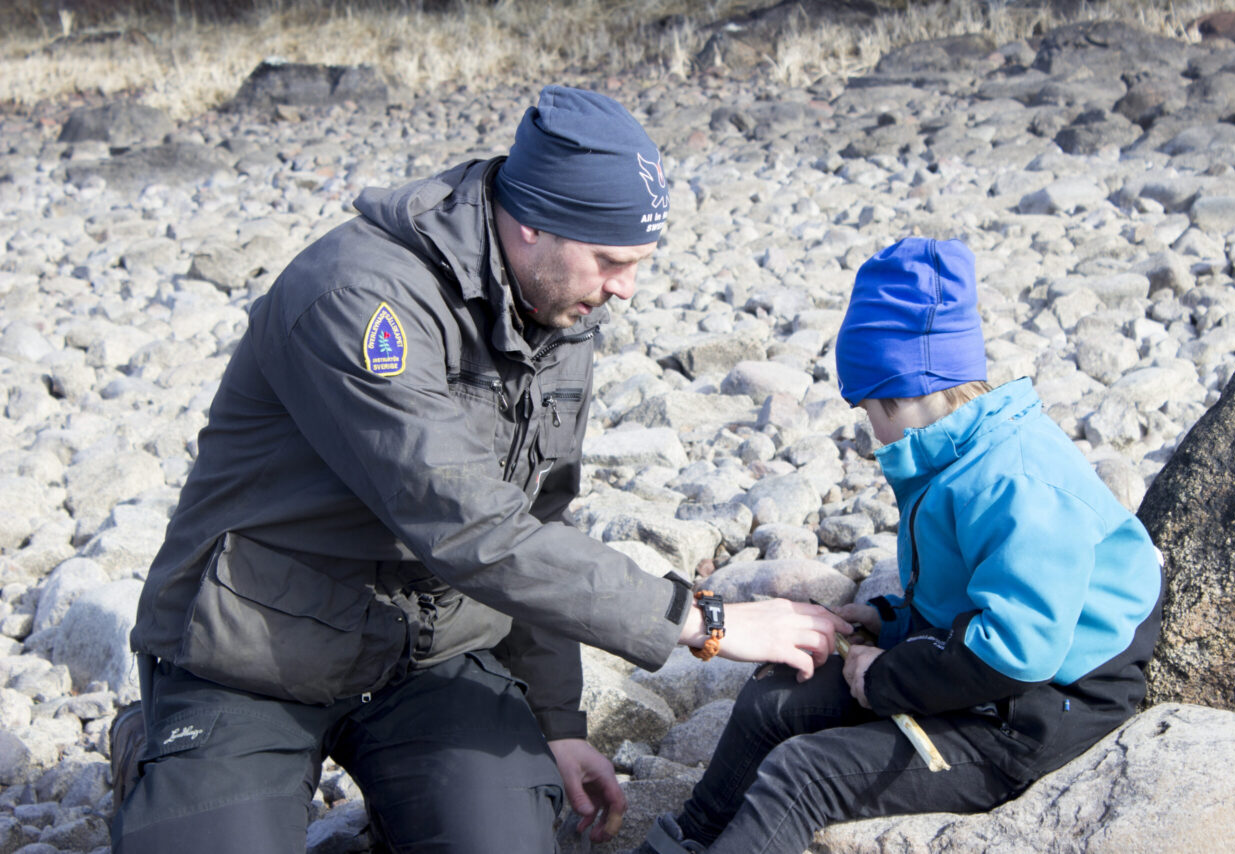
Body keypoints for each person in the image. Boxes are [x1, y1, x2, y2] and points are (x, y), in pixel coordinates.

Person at [111, 85, 851, 854]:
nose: (625, 288)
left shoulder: (560, 309)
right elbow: (468, 523)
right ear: (531, 223)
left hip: (424, 653)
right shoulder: (360, 298)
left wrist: (556, 723)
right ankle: (162, 753)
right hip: (253, 646)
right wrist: (706, 623)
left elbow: (537, 519)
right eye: (611, 260)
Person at [638, 237, 1165, 854]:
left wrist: (885, 677)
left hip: (1037, 712)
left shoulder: (1016, 482)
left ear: (909, 391)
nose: (872, 433)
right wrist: (890, 622)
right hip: (982, 671)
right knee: (771, 700)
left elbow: (1019, 649)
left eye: (870, 413)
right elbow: (972, 593)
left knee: (801, 776)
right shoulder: (957, 452)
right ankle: (688, 842)